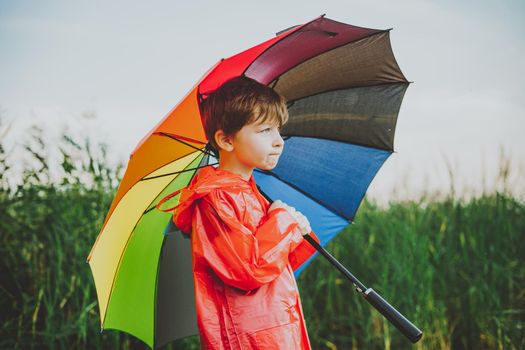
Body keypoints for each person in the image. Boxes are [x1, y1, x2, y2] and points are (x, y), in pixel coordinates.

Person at [166, 75, 321, 349]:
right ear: (226, 140)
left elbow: (277, 267)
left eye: (278, 130)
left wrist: (299, 231)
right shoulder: (215, 198)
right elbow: (248, 270)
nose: (278, 141)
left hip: (279, 324)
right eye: (264, 131)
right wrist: (281, 222)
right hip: (249, 337)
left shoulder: (252, 192)